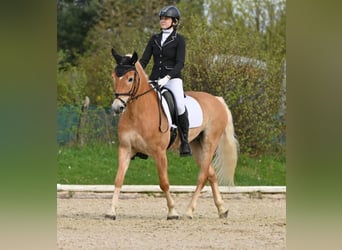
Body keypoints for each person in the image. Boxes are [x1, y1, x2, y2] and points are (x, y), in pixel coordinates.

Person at [139, 5, 192, 157]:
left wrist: (167, 77)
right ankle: (142, 143)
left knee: (180, 106)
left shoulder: (179, 40)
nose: (163, 21)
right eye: (162, 18)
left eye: (166, 18)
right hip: (154, 78)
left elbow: (180, 63)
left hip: (172, 79)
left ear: (174, 22)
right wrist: (135, 71)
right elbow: (144, 60)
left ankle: (185, 141)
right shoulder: (154, 39)